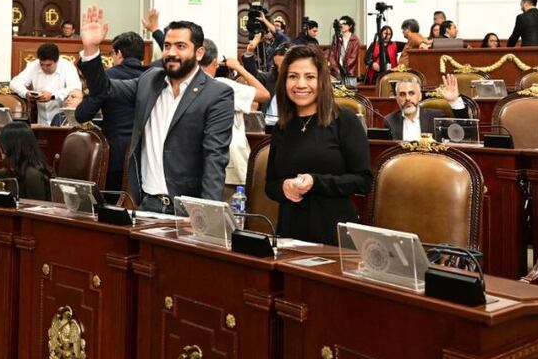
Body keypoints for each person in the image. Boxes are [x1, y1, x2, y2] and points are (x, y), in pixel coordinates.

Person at [76, 5, 234, 212]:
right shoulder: (150, 80)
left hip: (187, 208)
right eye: (167, 46)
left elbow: (215, 157)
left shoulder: (217, 94)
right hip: (147, 204)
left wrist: (206, 214)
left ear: (199, 52)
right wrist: (90, 50)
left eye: (180, 46)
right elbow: (103, 89)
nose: (171, 53)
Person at [264, 45, 372, 245]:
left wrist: (316, 181)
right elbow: (270, 185)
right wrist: (284, 187)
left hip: (333, 235)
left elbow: (363, 181)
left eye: (310, 77)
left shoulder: (345, 121)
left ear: (322, 80)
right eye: (293, 76)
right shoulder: (282, 127)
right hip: (289, 235)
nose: (301, 84)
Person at [75, 31, 148, 191]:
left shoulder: (107, 78)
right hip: (148, 160)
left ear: (119, 53)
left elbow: (82, 115)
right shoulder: (151, 79)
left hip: (115, 159)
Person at [199, 40, 269, 186]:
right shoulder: (224, 86)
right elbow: (264, 94)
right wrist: (239, 68)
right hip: (231, 164)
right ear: (214, 61)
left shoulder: (183, 86)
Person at [9, 42, 82, 125]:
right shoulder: (34, 65)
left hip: (64, 120)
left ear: (57, 61)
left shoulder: (67, 66)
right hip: (41, 120)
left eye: (48, 65)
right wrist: (26, 93)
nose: (44, 68)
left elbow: (75, 88)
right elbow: (14, 83)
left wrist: (53, 96)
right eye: (42, 64)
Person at [383, 76, 468, 141]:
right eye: (402, 94)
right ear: (397, 99)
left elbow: (464, 134)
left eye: (411, 93)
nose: (407, 98)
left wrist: (454, 101)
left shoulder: (436, 117)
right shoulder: (390, 121)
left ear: (420, 96)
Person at [0, 122, 50, 200]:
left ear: (13, 146)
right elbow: (7, 173)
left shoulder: (32, 174)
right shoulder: (21, 168)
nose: (0, 148)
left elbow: (36, 208)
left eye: (2, 144)